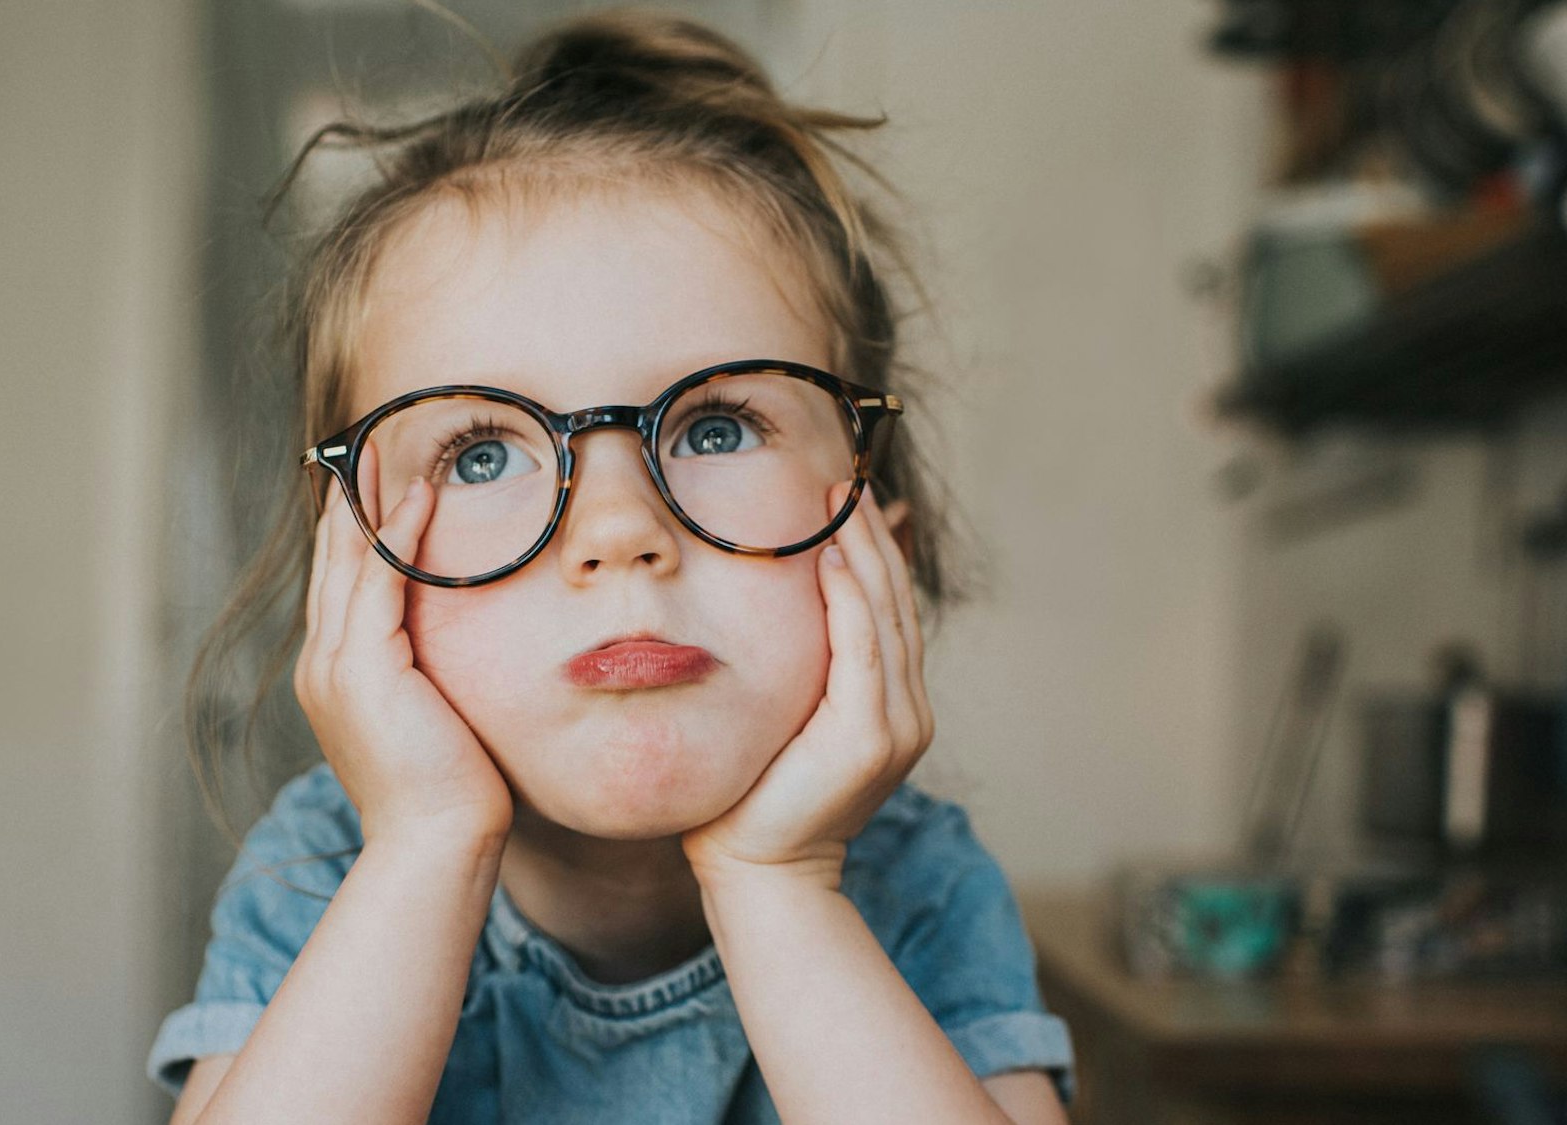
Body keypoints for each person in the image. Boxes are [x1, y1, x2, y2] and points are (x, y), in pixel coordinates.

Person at [150, 9, 1076, 1123]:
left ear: (880, 535)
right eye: (482, 451)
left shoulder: (919, 883)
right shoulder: (324, 864)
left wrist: (775, 885)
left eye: (717, 428)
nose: (618, 528)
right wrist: (423, 849)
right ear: (353, 562)